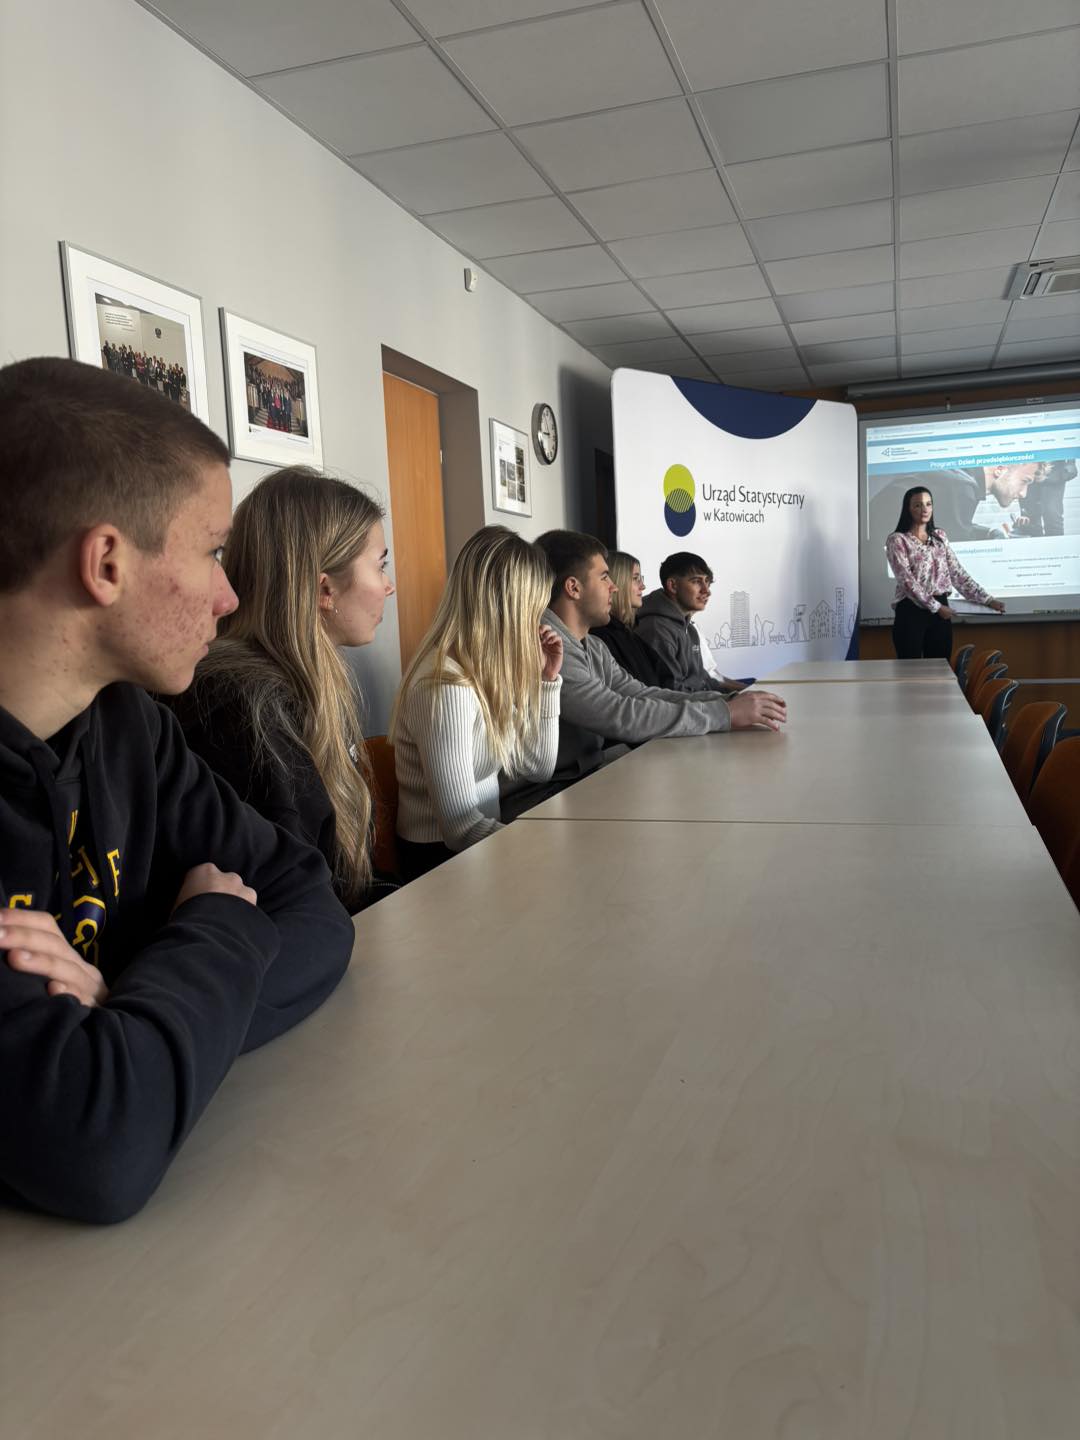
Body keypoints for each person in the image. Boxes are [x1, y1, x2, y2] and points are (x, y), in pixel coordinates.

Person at [0, 357, 353, 1224]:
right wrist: (213, 941)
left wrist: (130, 1016)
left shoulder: (130, 726)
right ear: (106, 563)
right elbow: (98, 1150)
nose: (230, 597)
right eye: (213, 551)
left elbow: (314, 908)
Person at [174, 467, 394, 913]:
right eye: (380, 565)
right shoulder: (244, 706)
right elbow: (296, 903)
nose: (388, 587)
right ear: (325, 589)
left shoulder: (299, 688)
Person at [502, 532, 787, 814]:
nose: (614, 587)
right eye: (604, 577)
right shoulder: (547, 646)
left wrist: (725, 702)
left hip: (582, 777)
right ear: (573, 588)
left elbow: (639, 693)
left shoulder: (594, 645)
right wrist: (723, 714)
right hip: (542, 796)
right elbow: (617, 713)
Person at [390, 526, 563, 880]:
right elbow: (460, 829)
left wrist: (546, 681)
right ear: (508, 612)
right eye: (533, 612)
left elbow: (539, 767)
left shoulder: (486, 672)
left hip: (479, 847)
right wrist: (540, 850)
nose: (537, 624)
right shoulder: (444, 686)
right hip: (438, 865)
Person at [885, 485, 1005, 659]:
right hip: (911, 610)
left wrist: (988, 600)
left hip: (940, 610)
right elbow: (907, 581)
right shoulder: (897, 540)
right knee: (910, 670)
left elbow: (957, 573)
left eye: (928, 504)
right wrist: (936, 607)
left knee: (940, 668)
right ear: (908, 509)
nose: (924, 509)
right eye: (918, 505)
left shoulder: (939, 536)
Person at [636, 551, 748, 695]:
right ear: (673, 586)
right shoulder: (657, 630)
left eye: (707, 582)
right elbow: (673, 693)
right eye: (696, 581)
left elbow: (703, 680)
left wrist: (745, 692)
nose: (706, 591)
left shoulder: (690, 629)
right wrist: (728, 701)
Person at [870, 464, 1039, 543]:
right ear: (1000, 469)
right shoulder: (962, 487)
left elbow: (950, 528)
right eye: (1024, 481)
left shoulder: (959, 477)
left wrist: (990, 532)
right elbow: (959, 548)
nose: (1023, 494)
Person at [589, 550, 668, 688]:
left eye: (641, 578)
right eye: (636, 578)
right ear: (618, 580)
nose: (643, 586)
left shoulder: (630, 634)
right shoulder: (601, 637)